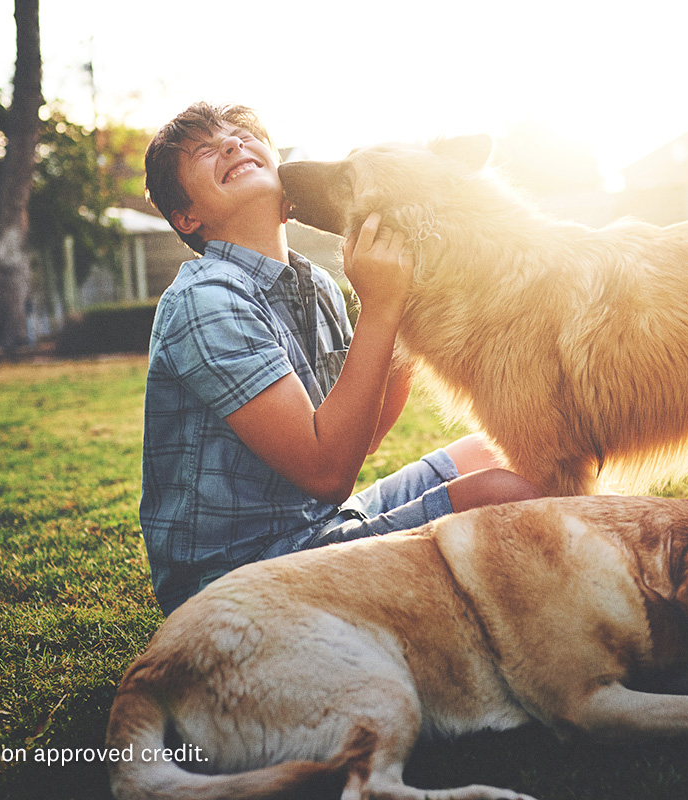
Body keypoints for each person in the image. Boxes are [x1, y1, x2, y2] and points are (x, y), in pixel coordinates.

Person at [139, 102, 541, 615]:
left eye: (241, 134)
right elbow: (328, 471)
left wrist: (409, 290)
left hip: (319, 525)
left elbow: (360, 440)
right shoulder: (206, 300)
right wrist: (381, 306)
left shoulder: (318, 286)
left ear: (290, 198)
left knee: (498, 453)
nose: (232, 144)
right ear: (187, 217)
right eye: (203, 150)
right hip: (240, 579)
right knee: (505, 493)